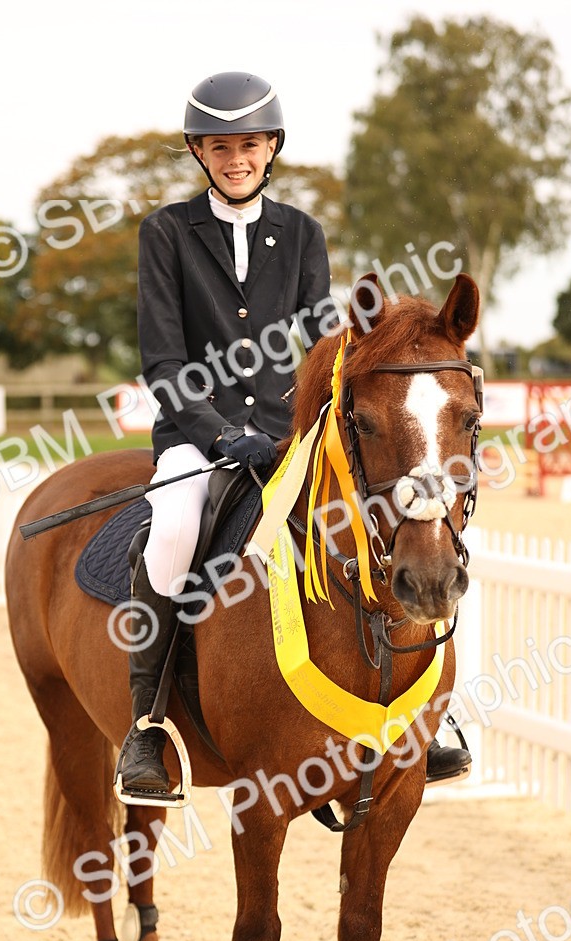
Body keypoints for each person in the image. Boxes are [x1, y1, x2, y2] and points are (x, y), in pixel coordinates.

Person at [116, 71, 471, 794]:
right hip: (195, 435)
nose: (236, 158)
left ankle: (432, 711)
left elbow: (320, 343)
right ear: (199, 152)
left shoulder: (303, 233)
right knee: (174, 532)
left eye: (249, 144)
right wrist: (218, 436)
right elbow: (163, 359)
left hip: (288, 435)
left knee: (406, 528)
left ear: (271, 146)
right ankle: (147, 726)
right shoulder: (166, 234)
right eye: (220, 147)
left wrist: (304, 426)